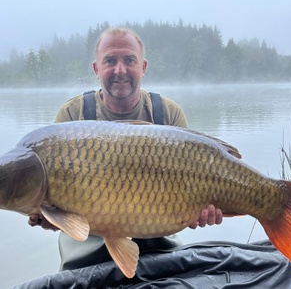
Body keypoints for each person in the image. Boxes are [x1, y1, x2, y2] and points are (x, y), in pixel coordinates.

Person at [29, 27, 223, 272]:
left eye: (129, 60)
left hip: (160, 247)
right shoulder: (71, 117)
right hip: (84, 255)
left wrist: (203, 212)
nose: (119, 70)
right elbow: (61, 214)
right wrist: (51, 219)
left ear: (143, 67)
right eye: (110, 61)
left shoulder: (168, 114)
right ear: (96, 69)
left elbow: (193, 194)